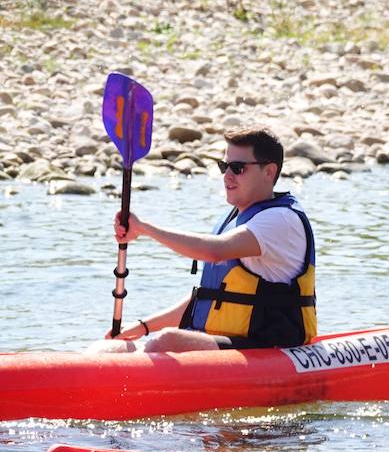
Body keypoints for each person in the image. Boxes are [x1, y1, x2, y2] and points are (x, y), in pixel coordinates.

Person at [89, 126, 316, 353]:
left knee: (167, 341)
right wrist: (143, 326)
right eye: (224, 166)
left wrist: (144, 229)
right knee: (108, 349)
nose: (227, 176)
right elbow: (208, 297)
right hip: (229, 347)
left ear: (269, 172)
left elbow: (213, 251)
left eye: (238, 168)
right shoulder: (236, 218)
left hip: (270, 346)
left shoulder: (280, 220)